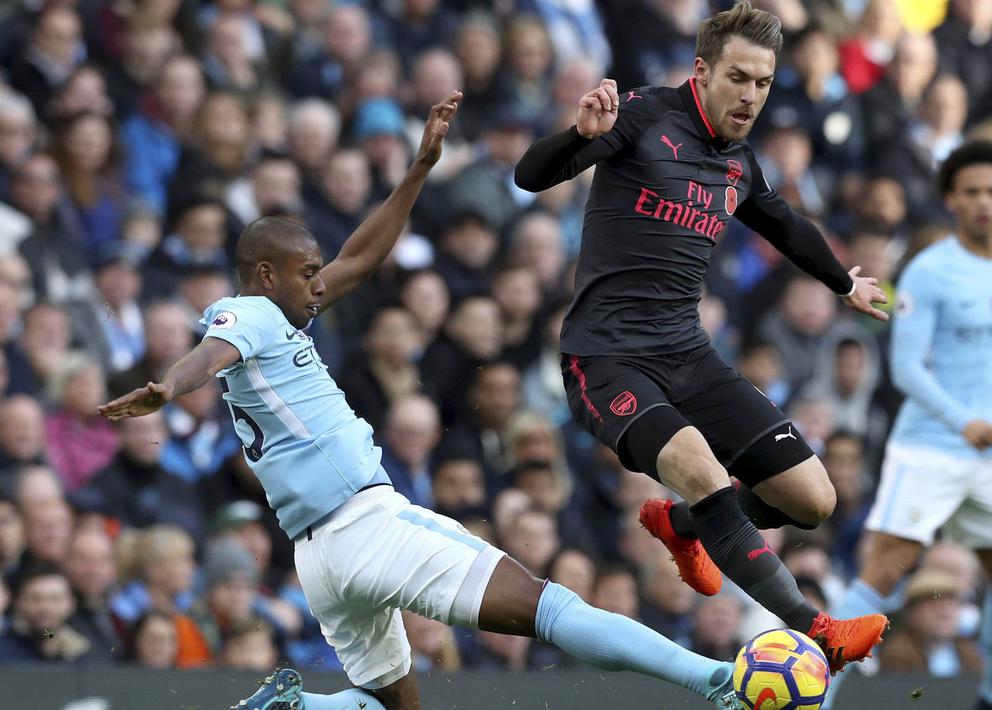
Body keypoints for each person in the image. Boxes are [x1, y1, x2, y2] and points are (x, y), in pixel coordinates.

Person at [100, 93, 742, 710]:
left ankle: (299, 708)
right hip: (367, 523)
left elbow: (360, 258)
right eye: (307, 273)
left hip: (318, 557)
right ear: (266, 274)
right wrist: (170, 386)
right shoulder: (251, 313)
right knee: (552, 608)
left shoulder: (279, 319)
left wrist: (420, 167)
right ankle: (715, 679)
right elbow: (213, 351)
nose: (318, 284)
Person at [513, 0, 889, 671]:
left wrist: (842, 283)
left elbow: (784, 225)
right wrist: (576, 134)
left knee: (812, 499)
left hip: (687, 353)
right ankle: (818, 629)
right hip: (606, 358)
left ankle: (682, 525)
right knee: (703, 471)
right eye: (737, 78)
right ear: (702, 71)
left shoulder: (738, 162)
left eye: (762, 83)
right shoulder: (641, 115)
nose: (750, 96)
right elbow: (529, 175)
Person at [827, 140, 992, 710]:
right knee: (883, 572)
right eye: (972, 192)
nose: (983, 202)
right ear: (952, 200)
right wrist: (963, 421)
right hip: (928, 447)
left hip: (989, 456)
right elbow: (906, 368)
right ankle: (816, 696)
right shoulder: (928, 271)